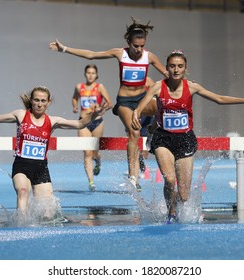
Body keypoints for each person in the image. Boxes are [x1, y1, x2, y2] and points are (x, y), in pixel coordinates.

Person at [131, 50, 244, 223]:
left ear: (185, 69)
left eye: (180, 66)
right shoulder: (158, 87)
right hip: (163, 139)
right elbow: (141, 106)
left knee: (184, 195)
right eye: (172, 66)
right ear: (167, 68)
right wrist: (136, 114)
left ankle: (175, 204)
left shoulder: (192, 87)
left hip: (185, 140)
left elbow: (219, 98)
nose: (176, 70)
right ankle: (171, 212)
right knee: (169, 179)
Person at [49, 17, 169, 191]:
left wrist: (183, 81)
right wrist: (65, 49)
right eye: (136, 46)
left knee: (165, 106)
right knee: (134, 132)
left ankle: (151, 132)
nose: (139, 50)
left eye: (142, 46)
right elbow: (92, 54)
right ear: (129, 42)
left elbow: (167, 73)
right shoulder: (120, 53)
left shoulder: (149, 57)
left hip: (142, 100)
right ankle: (133, 177)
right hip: (125, 103)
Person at [0, 86, 109, 222]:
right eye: (36, 100)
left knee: (48, 214)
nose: (39, 104)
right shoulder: (20, 115)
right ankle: (21, 225)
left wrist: (95, 113)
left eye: (43, 101)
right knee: (23, 191)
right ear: (31, 101)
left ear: (48, 103)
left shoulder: (52, 121)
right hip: (21, 166)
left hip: (41, 169)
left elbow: (78, 124)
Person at [72, 64, 113, 191]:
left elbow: (110, 103)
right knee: (87, 152)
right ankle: (91, 182)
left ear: (96, 75)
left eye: (93, 73)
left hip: (97, 122)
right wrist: (75, 106)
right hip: (83, 122)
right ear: (85, 74)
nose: (90, 75)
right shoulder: (79, 87)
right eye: (88, 72)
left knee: (95, 152)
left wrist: (101, 109)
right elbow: (74, 98)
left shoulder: (99, 87)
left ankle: (98, 161)